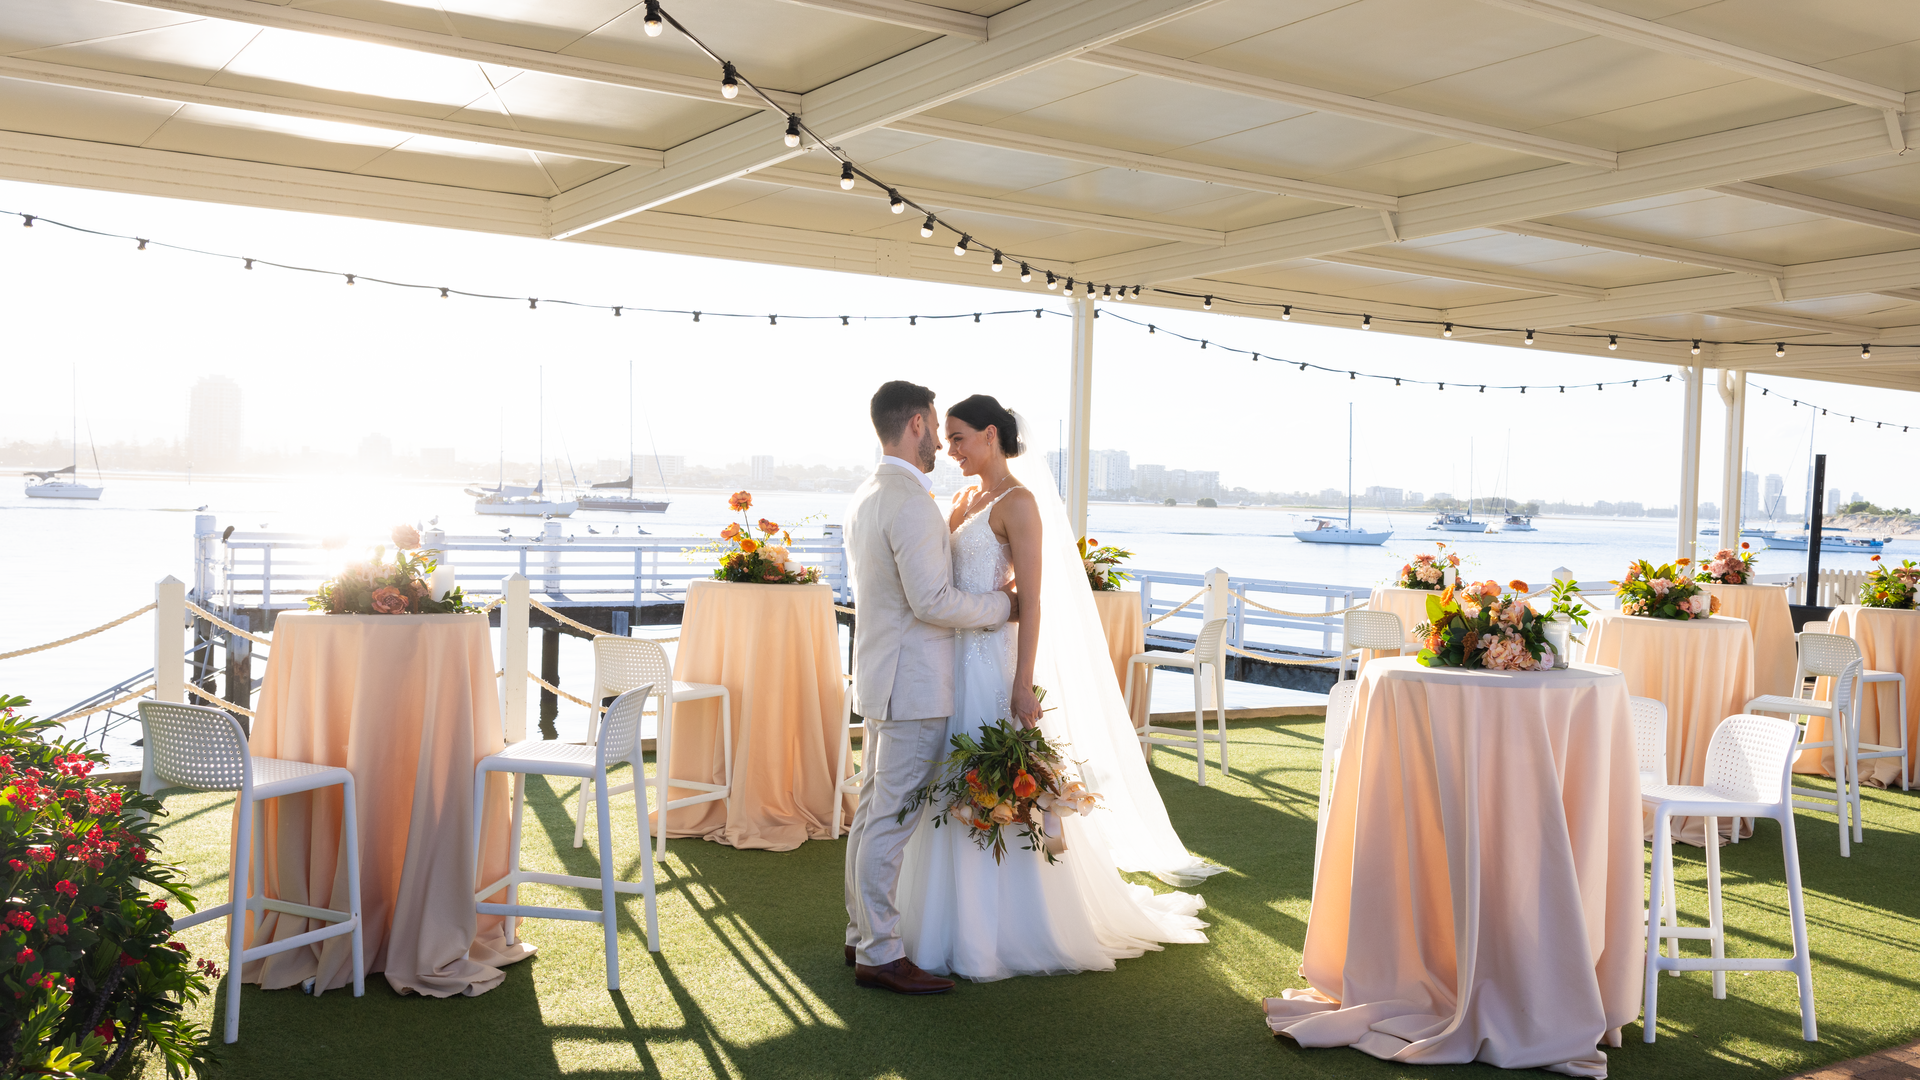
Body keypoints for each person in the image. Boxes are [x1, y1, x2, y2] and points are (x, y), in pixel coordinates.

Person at [893, 394, 1217, 982]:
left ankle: (1010, 929)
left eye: (960, 437)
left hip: (993, 662)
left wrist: (1022, 685)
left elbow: (1033, 600)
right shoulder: (963, 497)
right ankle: (940, 922)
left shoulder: (1021, 503)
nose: (950, 449)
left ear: (991, 434)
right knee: (950, 780)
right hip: (951, 659)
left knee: (994, 783)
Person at [841, 381, 1015, 995]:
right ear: (916, 424)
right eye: (937, 427)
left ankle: (860, 934)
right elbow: (931, 600)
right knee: (889, 820)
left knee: (870, 815)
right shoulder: (908, 499)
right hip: (913, 684)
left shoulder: (868, 494)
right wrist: (1003, 605)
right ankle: (882, 953)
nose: (941, 440)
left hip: (883, 676)